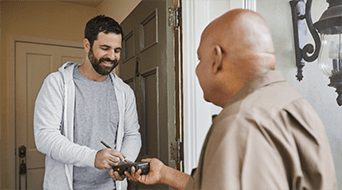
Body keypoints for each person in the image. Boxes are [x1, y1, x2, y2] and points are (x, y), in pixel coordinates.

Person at [125, 9, 337, 189]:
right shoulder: (294, 104)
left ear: (216, 59)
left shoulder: (241, 123)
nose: (197, 70)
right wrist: (164, 173)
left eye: (200, 59)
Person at [34, 15, 141, 190]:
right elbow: (45, 136)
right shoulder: (57, 83)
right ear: (87, 45)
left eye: (117, 50)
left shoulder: (124, 92)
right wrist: (93, 157)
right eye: (105, 48)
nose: (112, 56)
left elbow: (132, 134)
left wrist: (124, 163)